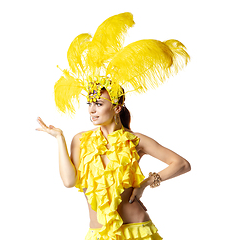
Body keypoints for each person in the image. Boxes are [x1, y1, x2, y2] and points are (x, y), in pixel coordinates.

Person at [36, 12, 191, 240]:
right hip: (99, 234)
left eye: (98, 104)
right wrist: (59, 137)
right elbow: (69, 182)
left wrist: (146, 183)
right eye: (90, 104)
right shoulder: (80, 140)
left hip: (138, 231)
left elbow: (181, 164)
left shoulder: (136, 140)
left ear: (117, 107)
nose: (91, 110)